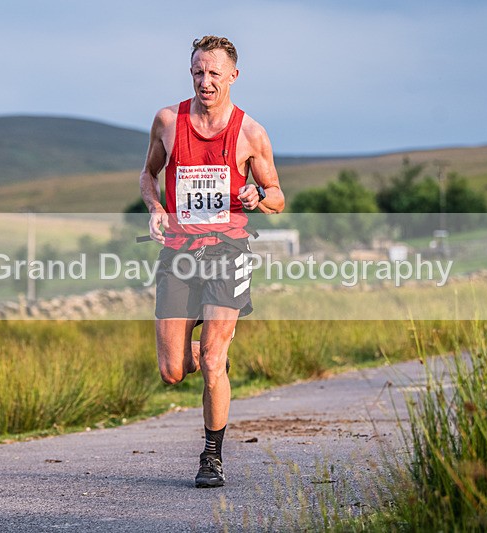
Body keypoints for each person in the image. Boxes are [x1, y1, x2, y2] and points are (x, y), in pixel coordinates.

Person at [139, 35, 284, 488]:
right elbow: (149, 173)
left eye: (214, 74)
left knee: (216, 363)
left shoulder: (250, 133)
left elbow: (278, 196)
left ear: (233, 76)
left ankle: (212, 457)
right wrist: (157, 208)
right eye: (198, 72)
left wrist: (256, 194)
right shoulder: (168, 121)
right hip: (179, 254)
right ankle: (200, 340)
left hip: (227, 251)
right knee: (172, 371)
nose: (205, 81)